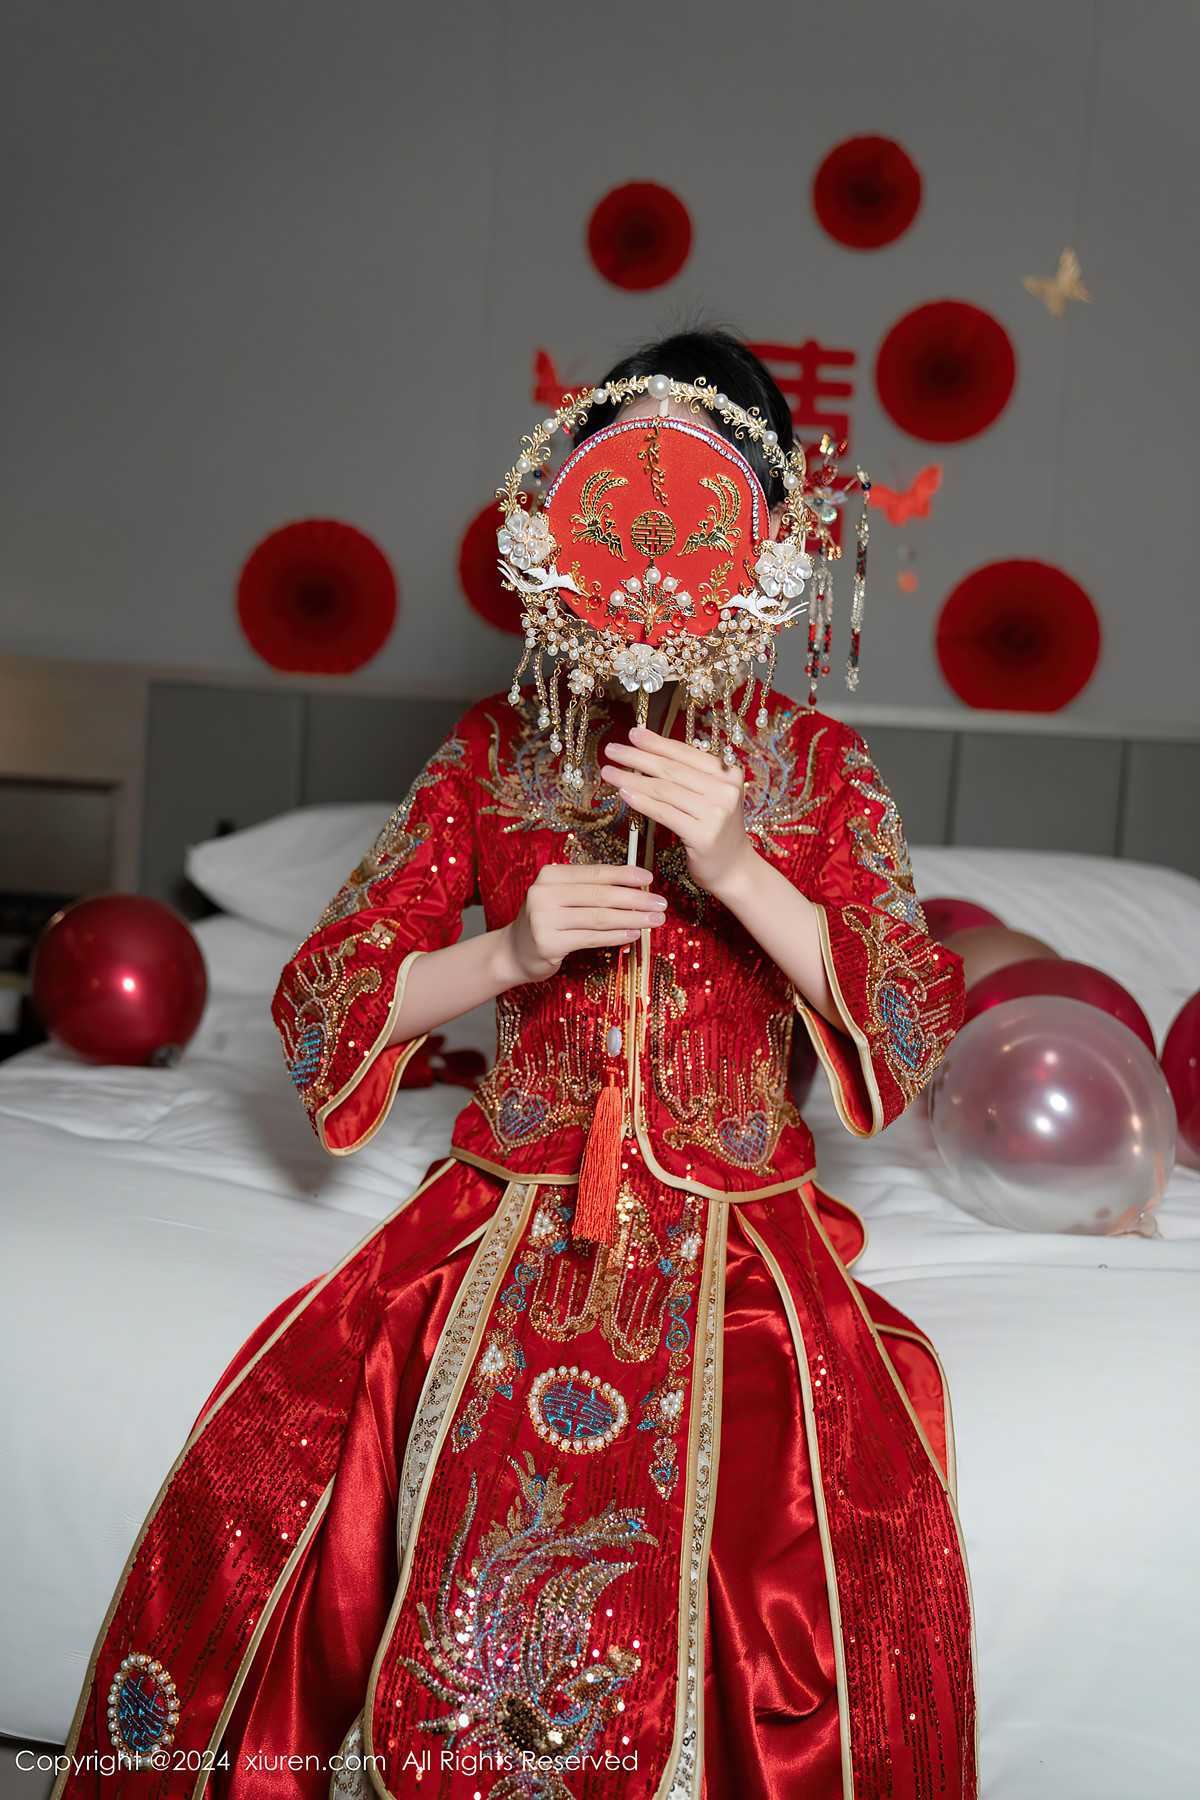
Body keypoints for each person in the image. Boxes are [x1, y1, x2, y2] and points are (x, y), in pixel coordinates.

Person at [53, 331, 977, 1800]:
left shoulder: (815, 768)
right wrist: (508, 953)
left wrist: (739, 865)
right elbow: (326, 996)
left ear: (768, 535)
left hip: (739, 1220)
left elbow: (910, 1021)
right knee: (356, 1408)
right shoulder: (497, 752)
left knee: (809, 1469)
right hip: (510, 1198)